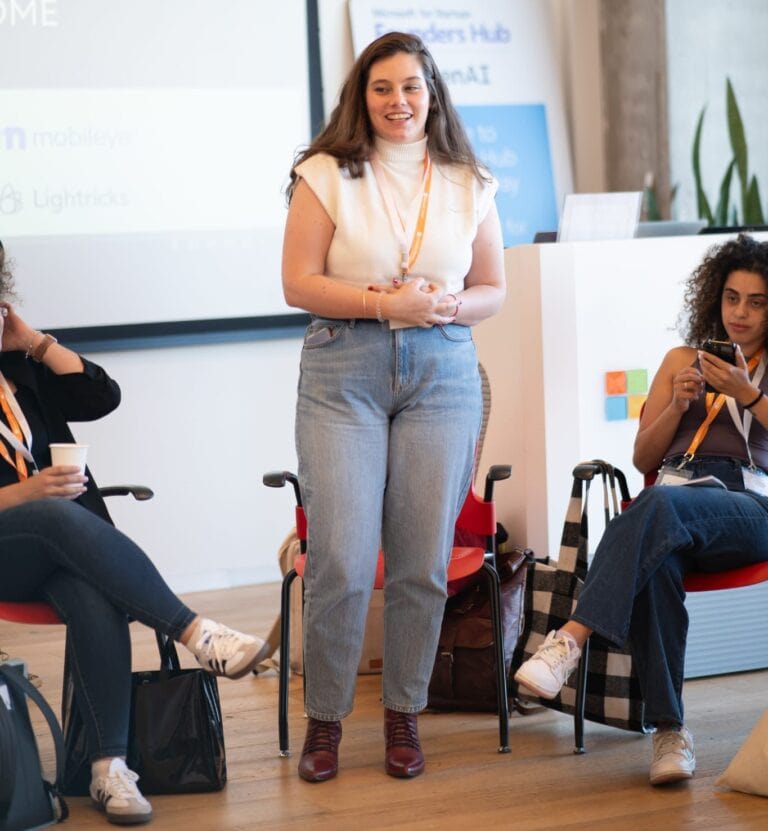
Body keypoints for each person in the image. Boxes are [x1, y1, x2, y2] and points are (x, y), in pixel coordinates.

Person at [281, 32, 505, 782]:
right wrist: (387, 306)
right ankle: (326, 719)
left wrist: (443, 304)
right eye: (382, 88)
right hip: (344, 366)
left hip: (442, 371)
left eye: (411, 87)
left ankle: (404, 712)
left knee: (421, 562)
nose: (398, 101)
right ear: (361, 96)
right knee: (341, 557)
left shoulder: (468, 179)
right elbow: (299, 283)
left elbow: (492, 290)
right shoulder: (325, 172)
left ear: (432, 93)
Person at [0, 240, 270, 825]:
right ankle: (198, 633)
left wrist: (36, 343)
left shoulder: (17, 367)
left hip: (60, 545)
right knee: (52, 517)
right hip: (9, 544)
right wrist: (26, 494)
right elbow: (33, 501)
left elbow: (102, 396)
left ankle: (108, 770)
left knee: (95, 595)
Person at [515, 233, 768, 786]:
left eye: (756, 301)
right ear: (715, 299)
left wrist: (749, 396)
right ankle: (671, 734)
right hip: (673, 497)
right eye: (731, 298)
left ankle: (570, 639)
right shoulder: (682, 359)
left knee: (656, 506)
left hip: (748, 505)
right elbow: (644, 458)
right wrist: (678, 405)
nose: (741, 313)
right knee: (657, 549)